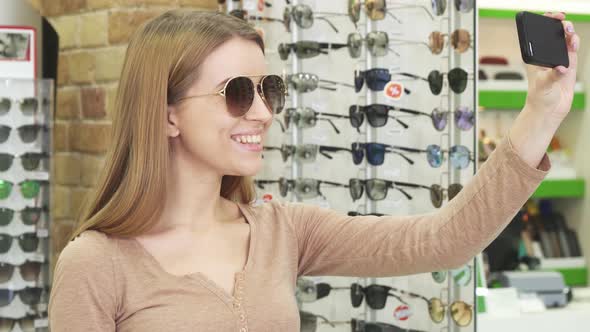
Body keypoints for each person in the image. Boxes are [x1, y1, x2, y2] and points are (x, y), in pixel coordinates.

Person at [48, 10, 580, 332]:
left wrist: (541, 113)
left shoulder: (284, 231)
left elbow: (443, 240)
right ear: (166, 113)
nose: (262, 112)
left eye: (269, 90)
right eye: (237, 93)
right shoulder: (96, 264)